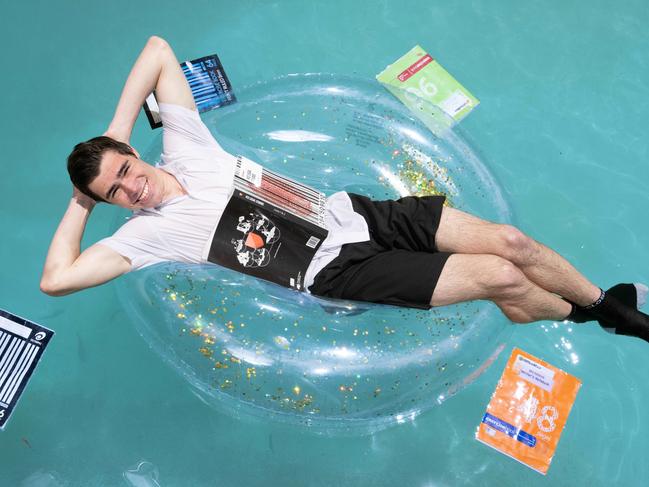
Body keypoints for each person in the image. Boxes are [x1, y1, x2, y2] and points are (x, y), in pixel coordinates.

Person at [41, 36, 649, 342]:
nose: (132, 188)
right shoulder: (144, 236)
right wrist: (83, 200)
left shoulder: (185, 147)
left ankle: (604, 306)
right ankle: (595, 316)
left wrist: (115, 129)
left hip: (355, 214)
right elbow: (56, 280)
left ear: (129, 155)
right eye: (115, 193)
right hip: (332, 274)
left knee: (512, 242)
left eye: (123, 171)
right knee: (503, 278)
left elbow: (157, 49)